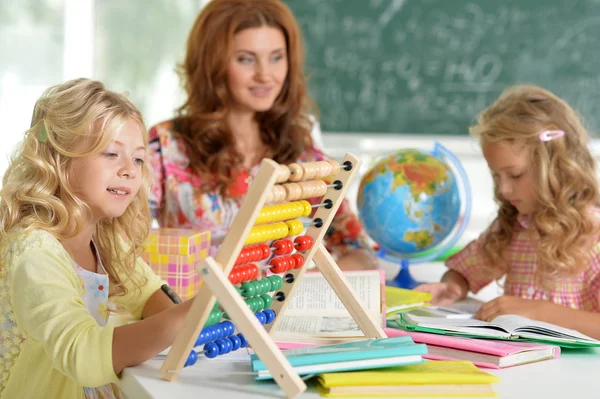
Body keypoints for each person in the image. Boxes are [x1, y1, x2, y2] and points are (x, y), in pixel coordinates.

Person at [0, 78, 195, 399]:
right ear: (58, 159)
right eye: (111, 154)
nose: (130, 171)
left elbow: (147, 294)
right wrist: (188, 314)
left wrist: (189, 316)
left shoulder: (106, 237)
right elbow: (81, 352)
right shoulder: (33, 251)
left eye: (138, 158)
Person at [148, 0, 376, 270]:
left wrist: (305, 282)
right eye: (246, 59)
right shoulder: (166, 144)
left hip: (278, 311)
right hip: (192, 309)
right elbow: (118, 245)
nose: (265, 75)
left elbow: (358, 251)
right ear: (213, 64)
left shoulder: (301, 150)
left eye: (277, 57)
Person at [415, 85, 600, 340]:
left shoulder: (594, 232)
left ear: (555, 165)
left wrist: (539, 312)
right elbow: (464, 271)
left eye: (515, 174)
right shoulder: (514, 225)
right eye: (496, 175)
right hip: (518, 368)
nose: (503, 189)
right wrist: (452, 286)